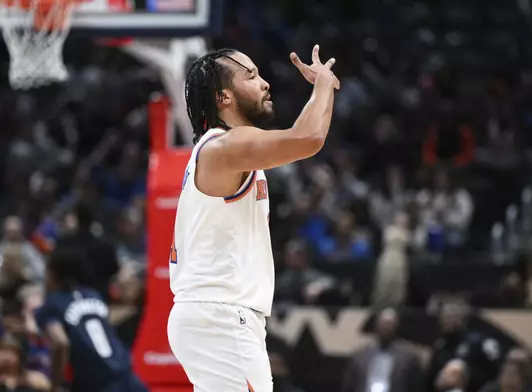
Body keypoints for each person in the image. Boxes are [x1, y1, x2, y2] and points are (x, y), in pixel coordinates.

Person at [166, 45, 340, 392]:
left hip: (214, 317)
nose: (265, 84)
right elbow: (308, 138)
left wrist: (326, 87)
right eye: (251, 76)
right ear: (223, 96)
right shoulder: (226, 147)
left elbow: (309, 136)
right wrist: (321, 85)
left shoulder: (223, 150)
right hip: (221, 317)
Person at [34, 247, 147, 392]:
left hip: (95, 383)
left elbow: (60, 342)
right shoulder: (93, 295)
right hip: (128, 379)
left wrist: (55, 385)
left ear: (52, 273)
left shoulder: (53, 304)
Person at [342, 308, 423, 392]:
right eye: (384, 324)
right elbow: (349, 386)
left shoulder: (408, 358)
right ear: (376, 325)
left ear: (397, 326)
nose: (386, 328)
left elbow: (416, 387)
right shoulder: (360, 356)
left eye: (390, 324)